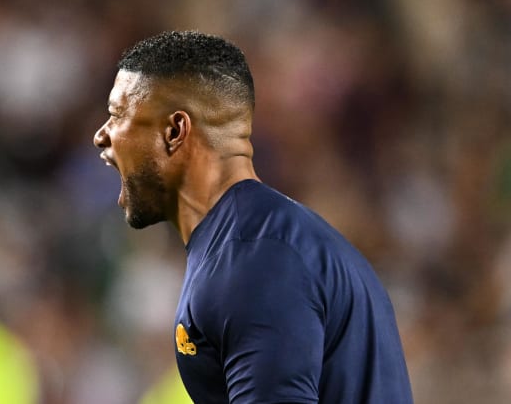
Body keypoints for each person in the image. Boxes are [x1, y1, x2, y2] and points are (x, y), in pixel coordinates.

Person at [93, 31, 413, 404]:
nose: (102, 136)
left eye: (118, 115)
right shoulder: (258, 242)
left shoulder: (255, 262)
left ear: (175, 131)